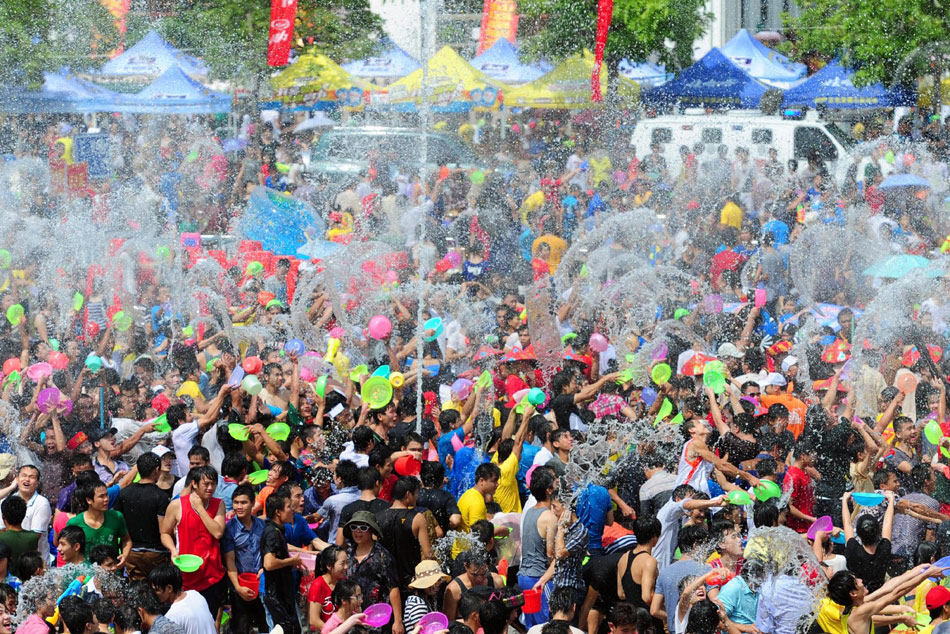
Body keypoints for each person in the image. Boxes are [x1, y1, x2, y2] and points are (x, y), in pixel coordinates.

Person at [159, 466, 226, 615]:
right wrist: (173, 550)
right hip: (186, 574)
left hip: (212, 575)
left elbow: (217, 532)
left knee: (210, 617)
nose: (210, 488)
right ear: (194, 484)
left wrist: (200, 508)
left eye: (213, 484)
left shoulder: (218, 504)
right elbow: (164, 533)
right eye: (206, 484)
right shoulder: (177, 505)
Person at [342, 511, 403, 633]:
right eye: (354, 527)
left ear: (371, 531)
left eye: (363, 528)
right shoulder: (347, 554)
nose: (358, 531)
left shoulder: (383, 556)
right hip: (351, 618)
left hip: (377, 619)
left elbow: (393, 589)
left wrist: (398, 621)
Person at [112, 452, 170, 581]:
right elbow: (163, 530)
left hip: (131, 554)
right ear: (156, 470)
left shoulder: (124, 494)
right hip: (156, 554)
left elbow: (119, 525)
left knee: (137, 592)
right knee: (158, 591)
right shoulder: (161, 496)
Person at [221, 484, 268, 634]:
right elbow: (229, 561)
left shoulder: (262, 525)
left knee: (265, 625)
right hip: (240, 587)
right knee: (241, 627)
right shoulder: (229, 530)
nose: (239, 507)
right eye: (236, 502)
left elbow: (267, 551)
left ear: (253, 503)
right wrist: (238, 588)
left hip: (261, 585)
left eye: (243, 502)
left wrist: (264, 568)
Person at [651, 524, 711, 634]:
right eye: (705, 545)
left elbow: (654, 610)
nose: (708, 551)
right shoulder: (706, 570)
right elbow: (715, 600)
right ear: (696, 545)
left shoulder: (664, 573)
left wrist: (676, 617)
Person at [262, 493, 303, 634]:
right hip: (276, 595)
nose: (293, 510)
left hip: (284, 592)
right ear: (278, 512)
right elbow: (269, 563)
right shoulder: (272, 533)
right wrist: (291, 561)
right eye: (288, 507)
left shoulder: (278, 531)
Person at [65, 482, 131, 567]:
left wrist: (124, 556)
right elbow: (69, 550)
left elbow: (126, 540)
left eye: (107, 495)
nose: (106, 499)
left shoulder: (116, 517)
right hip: (85, 576)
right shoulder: (74, 523)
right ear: (89, 500)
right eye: (101, 496)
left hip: (112, 571)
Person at [843, 489, 895, 593]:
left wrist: (844, 501)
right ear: (877, 532)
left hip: (859, 597)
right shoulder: (884, 549)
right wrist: (891, 501)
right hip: (879, 597)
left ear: (857, 533)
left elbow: (847, 524)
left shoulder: (853, 550)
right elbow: (887, 524)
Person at [0, 465, 51, 562]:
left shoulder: (42, 503)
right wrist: (11, 488)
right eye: (24, 475)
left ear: (37, 483)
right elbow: (2, 529)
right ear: (17, 479)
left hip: (35, 562)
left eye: (32, 477)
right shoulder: (7, 501)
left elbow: (35, 537)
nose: (27, 479)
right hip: (11, 560)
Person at [308, 545, 349, 632]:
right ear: (329, 566)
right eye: (342, 563)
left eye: (347, 563)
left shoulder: (343, 582)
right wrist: (334, 632)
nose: (346, 567)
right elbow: (314, 620)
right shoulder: (318, 585)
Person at [403, 559, 451, 631]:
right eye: (436, 581)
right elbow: (421, 631)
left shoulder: (417, 600)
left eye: (440, 580)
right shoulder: (418, 605)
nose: (439, 583)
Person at [0, 497, 39, 573]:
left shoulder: (1, 538)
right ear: (24, 516)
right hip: (26, 581)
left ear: (3, 517)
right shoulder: (33, 537)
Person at [458, 463, 500, 532]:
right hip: (466, 542)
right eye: (494, 481)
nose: (497, 484)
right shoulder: (477, 502)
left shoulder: (469, 493)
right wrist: (500, 531)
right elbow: (479, 535)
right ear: (481, 481)